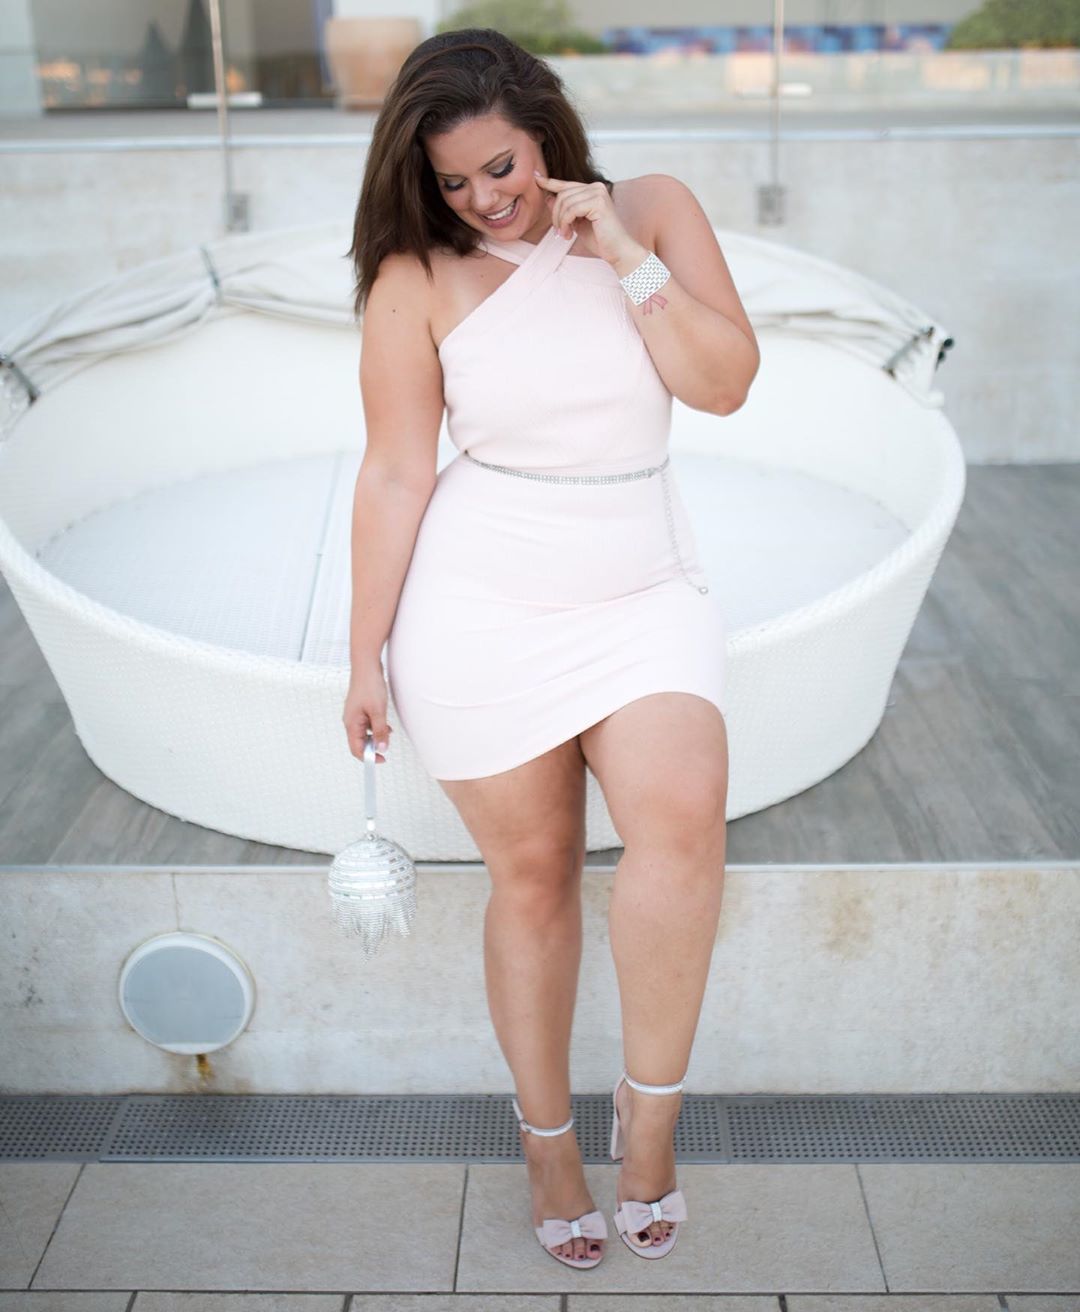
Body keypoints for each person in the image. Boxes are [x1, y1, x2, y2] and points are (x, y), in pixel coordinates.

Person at [343, 28, 759, 1269]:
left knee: (682, 820)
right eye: (454, 180)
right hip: (483, 606)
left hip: (643, 585)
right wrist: (363, 655)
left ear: (547, 132)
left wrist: (619, 250)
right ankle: (546, 1143)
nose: (484, 197)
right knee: (533, 877)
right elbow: (396, 470)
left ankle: (650, 1116)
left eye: (502, 166)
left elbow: (724, 383)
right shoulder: (415, 273)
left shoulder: (654, 209)